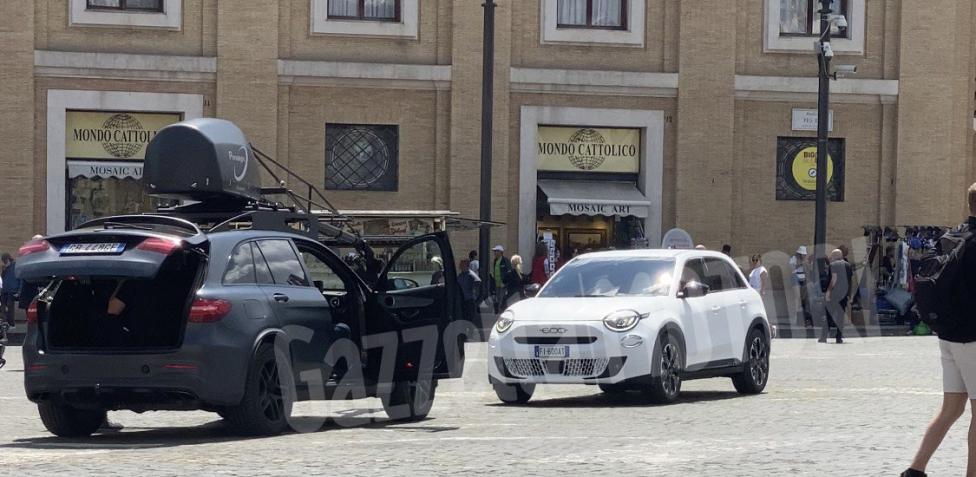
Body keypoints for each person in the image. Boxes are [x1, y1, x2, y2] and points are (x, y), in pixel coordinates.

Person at [902, 183, 976, 477]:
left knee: (951, 409)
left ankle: (915, 470)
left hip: (947, 335)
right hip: (972, 336)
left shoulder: (951, 236)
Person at [820, 249, 852, 344]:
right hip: (844, 295)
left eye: (831, 256)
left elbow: (833, 280)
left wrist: (828, 293)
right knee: (840, 317)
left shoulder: (833, 265)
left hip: (834, 295)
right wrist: (850, 295)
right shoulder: (848, 265)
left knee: (828, 315)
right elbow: (850, 282)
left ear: (834, 256)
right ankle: (839, 337)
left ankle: (823, 337)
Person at [790, 246, 812, 327]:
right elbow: (792, 269)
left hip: (804, 278)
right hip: (795, 277)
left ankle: (804, 317)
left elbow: (808, 270)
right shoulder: (793, 258)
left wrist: (807, 264)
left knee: (804, 297)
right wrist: (800, 263)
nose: (803, 255)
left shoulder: (805, 259)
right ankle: (796, 315)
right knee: (797, 297)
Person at [490, 245, 515, 313]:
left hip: (503, 284)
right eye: (494, 251)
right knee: (497, 299)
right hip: (497, 284)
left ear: (500, 252)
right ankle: (498, 311)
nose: (495, 252)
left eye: (496, 251)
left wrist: (506, 282)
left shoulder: (505, 260)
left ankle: (501, 312)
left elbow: (509, 271)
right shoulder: (495, 260)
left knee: (501, 299)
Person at [456, 259, 480, 324]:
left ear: (466, 265)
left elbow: (478, 283)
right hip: (463, 300)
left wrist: (475, 295)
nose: (459, 266)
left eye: (461, 264)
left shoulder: (471, 275)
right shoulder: (461, 275)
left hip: (469, 300)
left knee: (470, 319)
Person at [0, 253, 20, 330]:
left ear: (8, 259)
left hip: (12, 290)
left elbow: (20, 278)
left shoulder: (15, 266)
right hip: (4, 290)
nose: (5, 263)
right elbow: (2, 278)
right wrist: (4, 271)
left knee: (10, 306)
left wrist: (19, 291)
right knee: (2, 307)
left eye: (5, 261)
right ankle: (5, 323)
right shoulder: (5, 268)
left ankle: (12, 324)